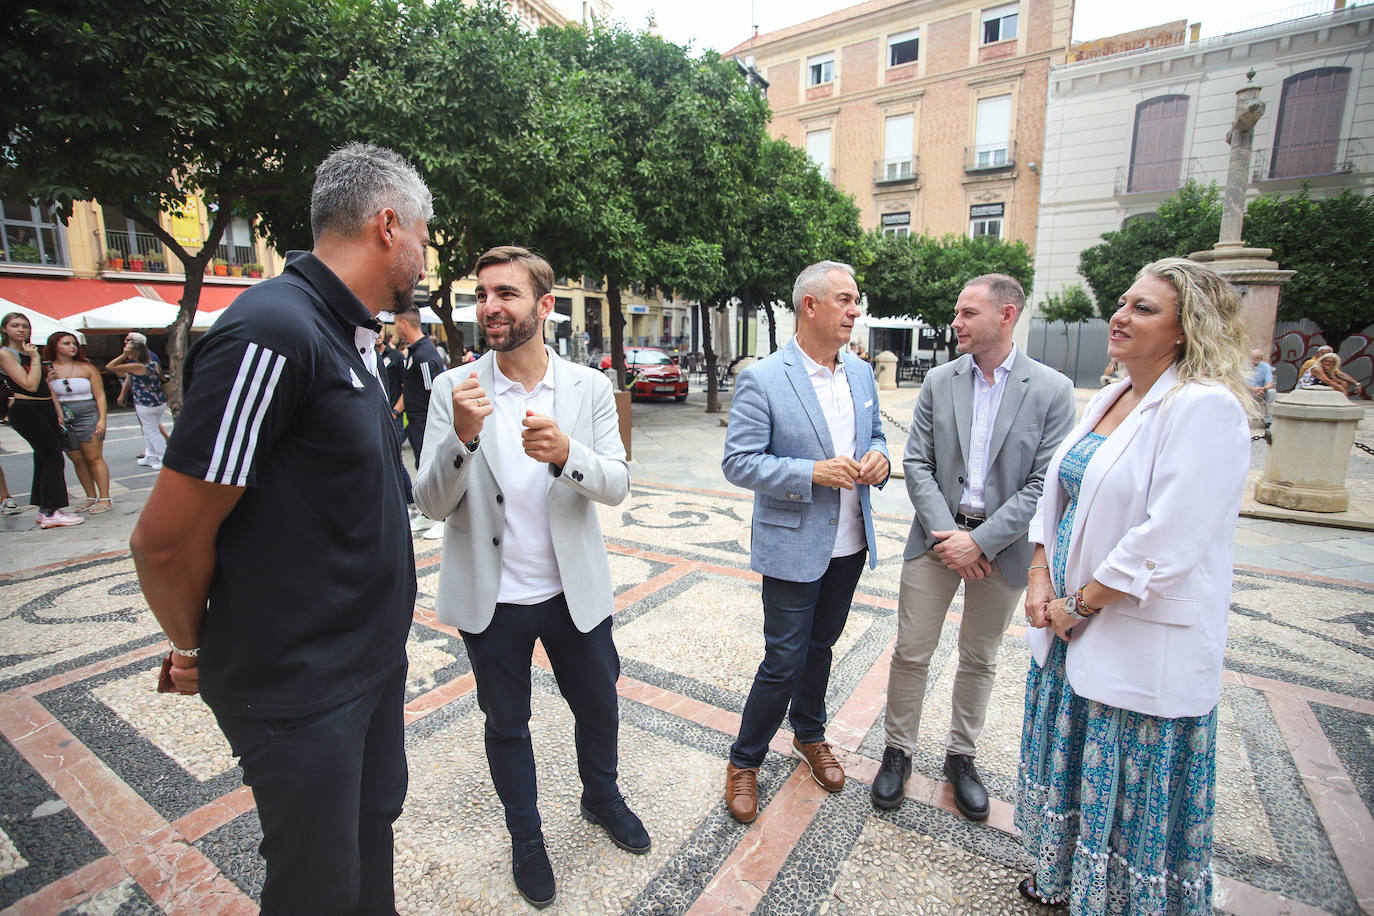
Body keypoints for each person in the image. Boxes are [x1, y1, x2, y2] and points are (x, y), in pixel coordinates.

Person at [130, 141, 430, 915]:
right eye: (426, 236)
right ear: (388, 225)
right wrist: (196, 643)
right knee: (314, 887)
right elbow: (164, 540)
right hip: (304, 687)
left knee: (369, 840)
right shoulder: (273, 330)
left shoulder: (349, 335)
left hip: (365, 665)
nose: (426, 256)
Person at [1015, 258, 1253, 912]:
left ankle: (1118, 899)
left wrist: (1078, 603)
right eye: (1123, 303)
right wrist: (1039, 572)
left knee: (1128, 786)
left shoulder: (1205, 408)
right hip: (1066, 627)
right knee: (1074, 768)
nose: (1120, 316)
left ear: (1186, 330)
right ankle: (1065, 878)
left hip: (1128, 630)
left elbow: (1169, 537)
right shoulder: (1112, 394)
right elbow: (1057, 491)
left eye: (1144, 308)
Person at [414, 245, 646, 909]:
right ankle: (527, 838)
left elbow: (619, 484)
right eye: (483, 293)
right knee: (506, 724)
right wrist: (461, 438)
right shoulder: (451, 390)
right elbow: (430, 504)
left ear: (543, 306)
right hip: (495, 599)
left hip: (574, 593)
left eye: (506, 294)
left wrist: (570, 454)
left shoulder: (588, 389)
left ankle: (601, 797)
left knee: (599, 706)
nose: (489, 306)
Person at [871, 274, 1074, 821]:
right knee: (911, 650)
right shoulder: (940, 380)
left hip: (1001, 549)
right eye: (956, 313)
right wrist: (950, 538)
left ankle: (962, 757)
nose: (955, 323)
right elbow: (916, 464)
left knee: (979, 657)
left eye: (967, 313)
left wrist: (980, 541)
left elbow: (1043, 484)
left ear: (1006, 316)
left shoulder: (1052, 389)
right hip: (935, 541)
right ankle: (898, 751)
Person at [721, 261, 889, 824]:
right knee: (784, 658)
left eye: (856, 300)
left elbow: (880, 437)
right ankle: (745, 759)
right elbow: (738, 463)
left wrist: (880, 461)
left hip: (849, 542)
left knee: (821, 648)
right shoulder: (765, 378)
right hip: (793, 542)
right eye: (845, 300)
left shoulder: (860, 374)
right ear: (810, 306)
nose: (855, 310)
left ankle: (809, 734)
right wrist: (811, 472)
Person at [0, 312, 81, 528]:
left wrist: (57, 410)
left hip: (43, 406)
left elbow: (42, 384)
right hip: (27, 408)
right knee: (53, 457)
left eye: (25, 326)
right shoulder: (6, 354)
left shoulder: (26, 350)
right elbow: (29, 384)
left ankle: (46, 508)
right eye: (15, 325)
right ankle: (50, 511)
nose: (21, 330)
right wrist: (36, 360)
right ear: (4, 329)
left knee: (44, 457)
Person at [44, 331, 112, 513]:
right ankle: (90, 496)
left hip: (88, 413)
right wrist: (46, 381)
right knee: (76, 458)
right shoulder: (48, 370)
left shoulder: (87, 367)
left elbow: (100, 395)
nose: (72, 346)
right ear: (55, 346)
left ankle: (104, 497)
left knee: (94, 456)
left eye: (74, 343)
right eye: (66, 343)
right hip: (63, 416)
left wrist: (102, 419)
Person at [106, 333, 168, 469]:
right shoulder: (154, 364)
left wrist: (123, 356)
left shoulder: (136, 366)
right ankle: (151, 455)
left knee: (151, 430)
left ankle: (163, 457)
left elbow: (110, 367)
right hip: (159, 401)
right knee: (149, 429)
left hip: (145, 403)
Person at [1248, 347, 1277, 423]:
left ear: (1261, 358)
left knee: (1272, 392)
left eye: (1257, 358)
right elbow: (1241, 384)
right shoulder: (1243, 366)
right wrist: (1253, 389)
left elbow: (1270, 384)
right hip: (1247, 390)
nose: (1254, 360)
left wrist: (1263, 389)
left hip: (1260, 391)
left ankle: (1268, 420)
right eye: (1252, 357)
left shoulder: (1266, 367)